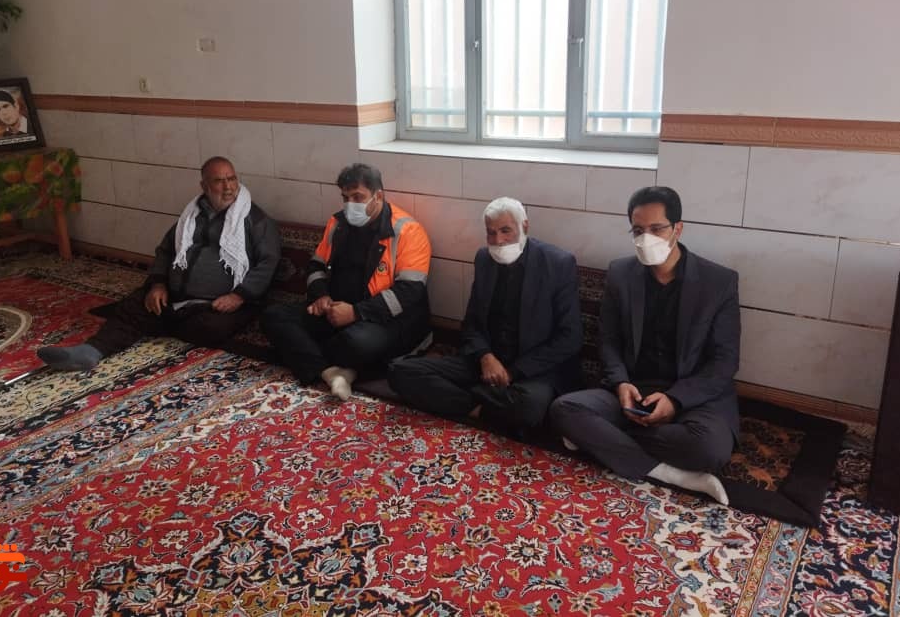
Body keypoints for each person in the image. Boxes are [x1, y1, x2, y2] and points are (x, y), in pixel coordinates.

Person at [549, 186, 740, 505]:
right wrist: (621, 383)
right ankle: (668, 472)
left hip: (692, 396)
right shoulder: (621, 273)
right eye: (638, 230)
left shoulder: (718, 282)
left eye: (656, 229)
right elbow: (608, 340)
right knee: (563, 409)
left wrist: (675, 400)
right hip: (633, 391)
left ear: (678, 229)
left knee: (710, 449)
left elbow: (725, 361)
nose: (645, 238)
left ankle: (599, 439)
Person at [37, 156, 280, 372]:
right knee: (136, 304)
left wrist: (238, 296)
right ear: (204, 186)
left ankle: (162, 322)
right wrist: (158, 284)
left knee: (210, 328)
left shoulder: (255, 220)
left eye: (232, 179)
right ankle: (90, 352)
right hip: (176, 295)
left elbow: (268, 263)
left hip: (222, 303)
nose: (228, 187)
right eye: (219, 181)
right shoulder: (191, 216)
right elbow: (165, 251)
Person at [389, 197, 582, 435]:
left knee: (529, 407)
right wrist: (485, 357)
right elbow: (472, 323)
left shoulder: (558, 263)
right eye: (491, 233)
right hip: (486, 363)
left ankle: (469, 401)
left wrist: (513, 371)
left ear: (524, 226)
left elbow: (570, 337)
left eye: (505, 231)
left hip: (533, 370)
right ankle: (481, 407)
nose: (498, 240)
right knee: (400, 370)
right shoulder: (484, 258)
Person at [262, 163, 432, 400]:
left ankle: (316, 358)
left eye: (358, 197)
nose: (350, 204)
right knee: (273, 316)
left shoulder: (407, 231)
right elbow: (316, 266)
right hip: (335, 310)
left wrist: (356, 313)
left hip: (383, 319)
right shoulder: (338, 223)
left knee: (355, 343)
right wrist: (321, 296)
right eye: (345, 197)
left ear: (378, 196)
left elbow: (409, 292)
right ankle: (331, 372)